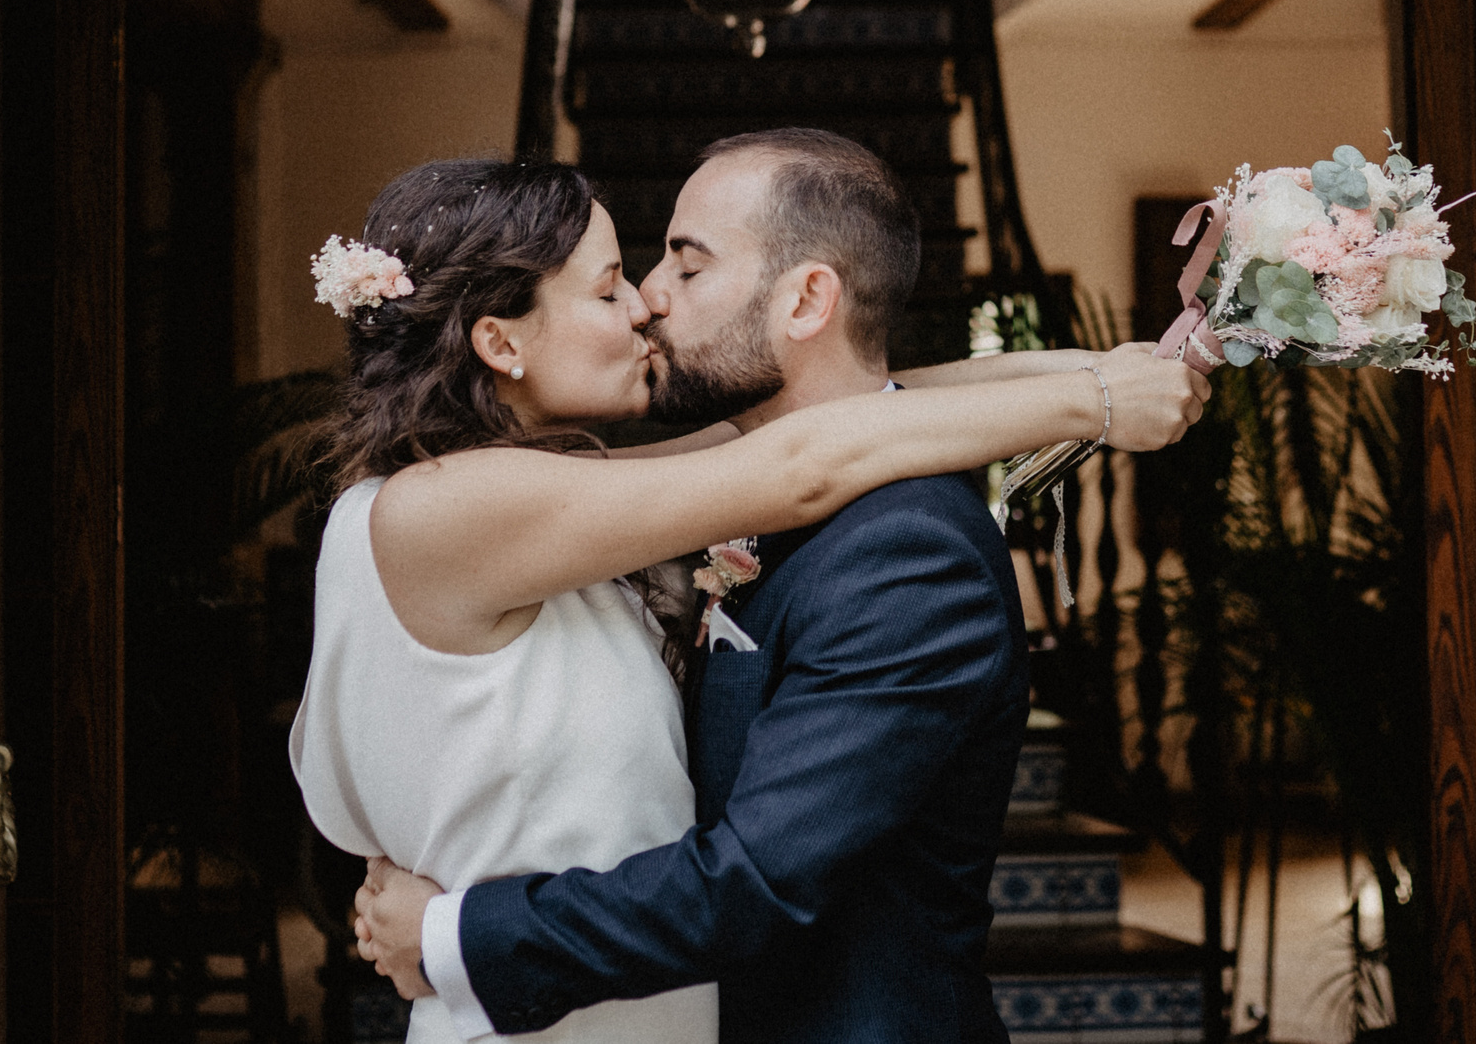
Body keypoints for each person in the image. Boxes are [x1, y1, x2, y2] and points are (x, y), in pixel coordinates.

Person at [292, 143, 1207, 1044]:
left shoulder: (556, 493)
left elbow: (827, 426)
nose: (645, 299)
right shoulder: (459, 507)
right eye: (610, 285)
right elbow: (803, 457)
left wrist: (1086, 370)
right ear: (499, 340)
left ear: (809, 297)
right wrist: (1096, 402)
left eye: (673, 268)